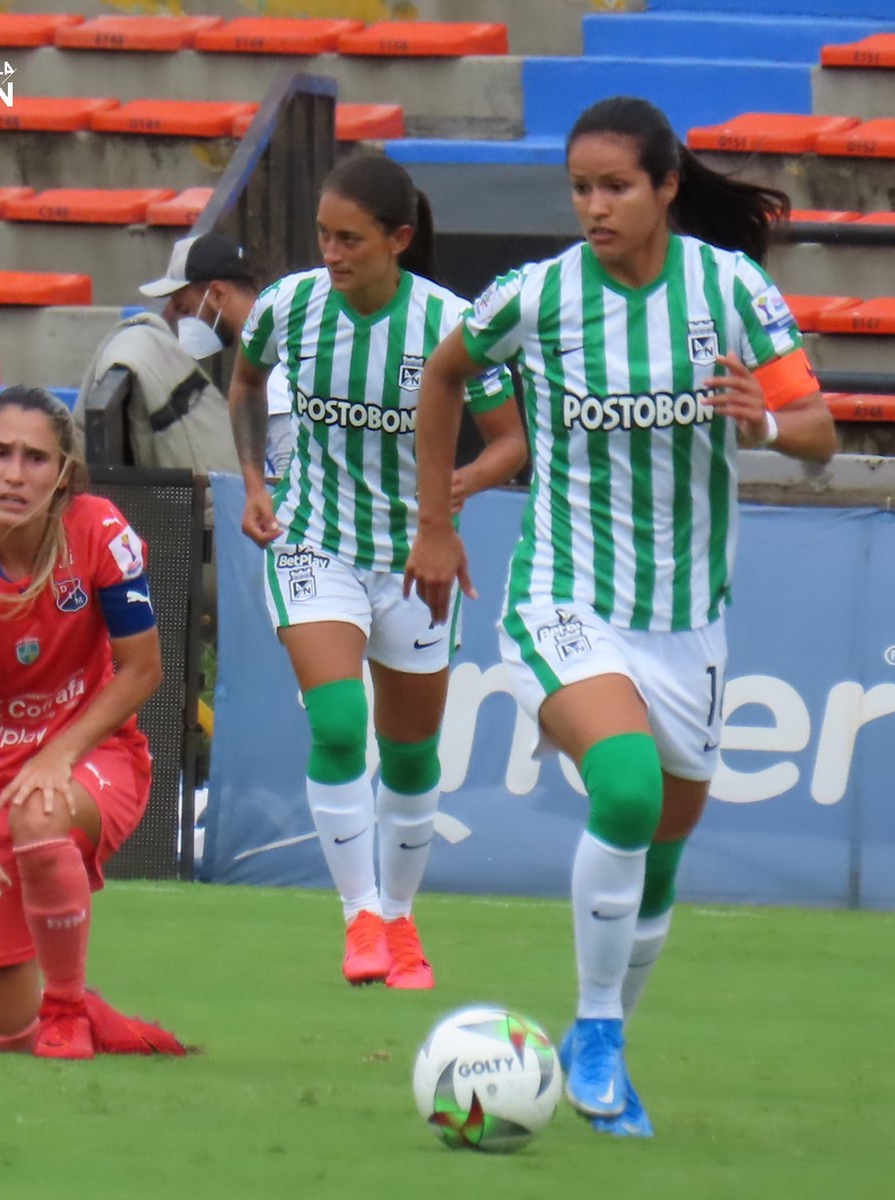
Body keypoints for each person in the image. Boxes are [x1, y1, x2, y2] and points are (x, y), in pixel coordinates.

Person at [405, 96, 836, 1131]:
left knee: (665, 844)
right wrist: (435, 522)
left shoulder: (730, 290)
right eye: (581, 189)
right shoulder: (538, 296)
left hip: (688, 619)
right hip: (565, 595)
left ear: (666, 188)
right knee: (629, 789)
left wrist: (768, 424)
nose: (594, 208)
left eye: (616, 187)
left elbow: (820, 430)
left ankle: (610, 1045)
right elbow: (446, 374)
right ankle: (593, 1027)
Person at [227, 154, 526, 990]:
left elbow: (511, 439)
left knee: (409, 756)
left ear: (398, 240)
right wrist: (256, 481)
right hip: (314, 541)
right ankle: (359, 916)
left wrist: (457, 489)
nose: (331, 251)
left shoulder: (450, 324)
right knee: (335, 724)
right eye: (323, 234)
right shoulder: (288, 307)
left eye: (350, 238)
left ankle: (399, 921)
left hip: (416, 563)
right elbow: (246, 383)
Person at [0, 386, 187, 1059]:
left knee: (40, 812)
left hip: (94, 755)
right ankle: (84, 1011)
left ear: (61, 474)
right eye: (0, 453)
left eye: (34, 458)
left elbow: (143, 669)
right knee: (5, 1038)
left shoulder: (99, 531)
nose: (14, 473)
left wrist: (59, 753)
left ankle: (64, 1004)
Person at [76, 230, 256, 479]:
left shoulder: (281, 357)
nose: (174, 317)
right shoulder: (261, 342)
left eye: (184, 308)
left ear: (216, 295)